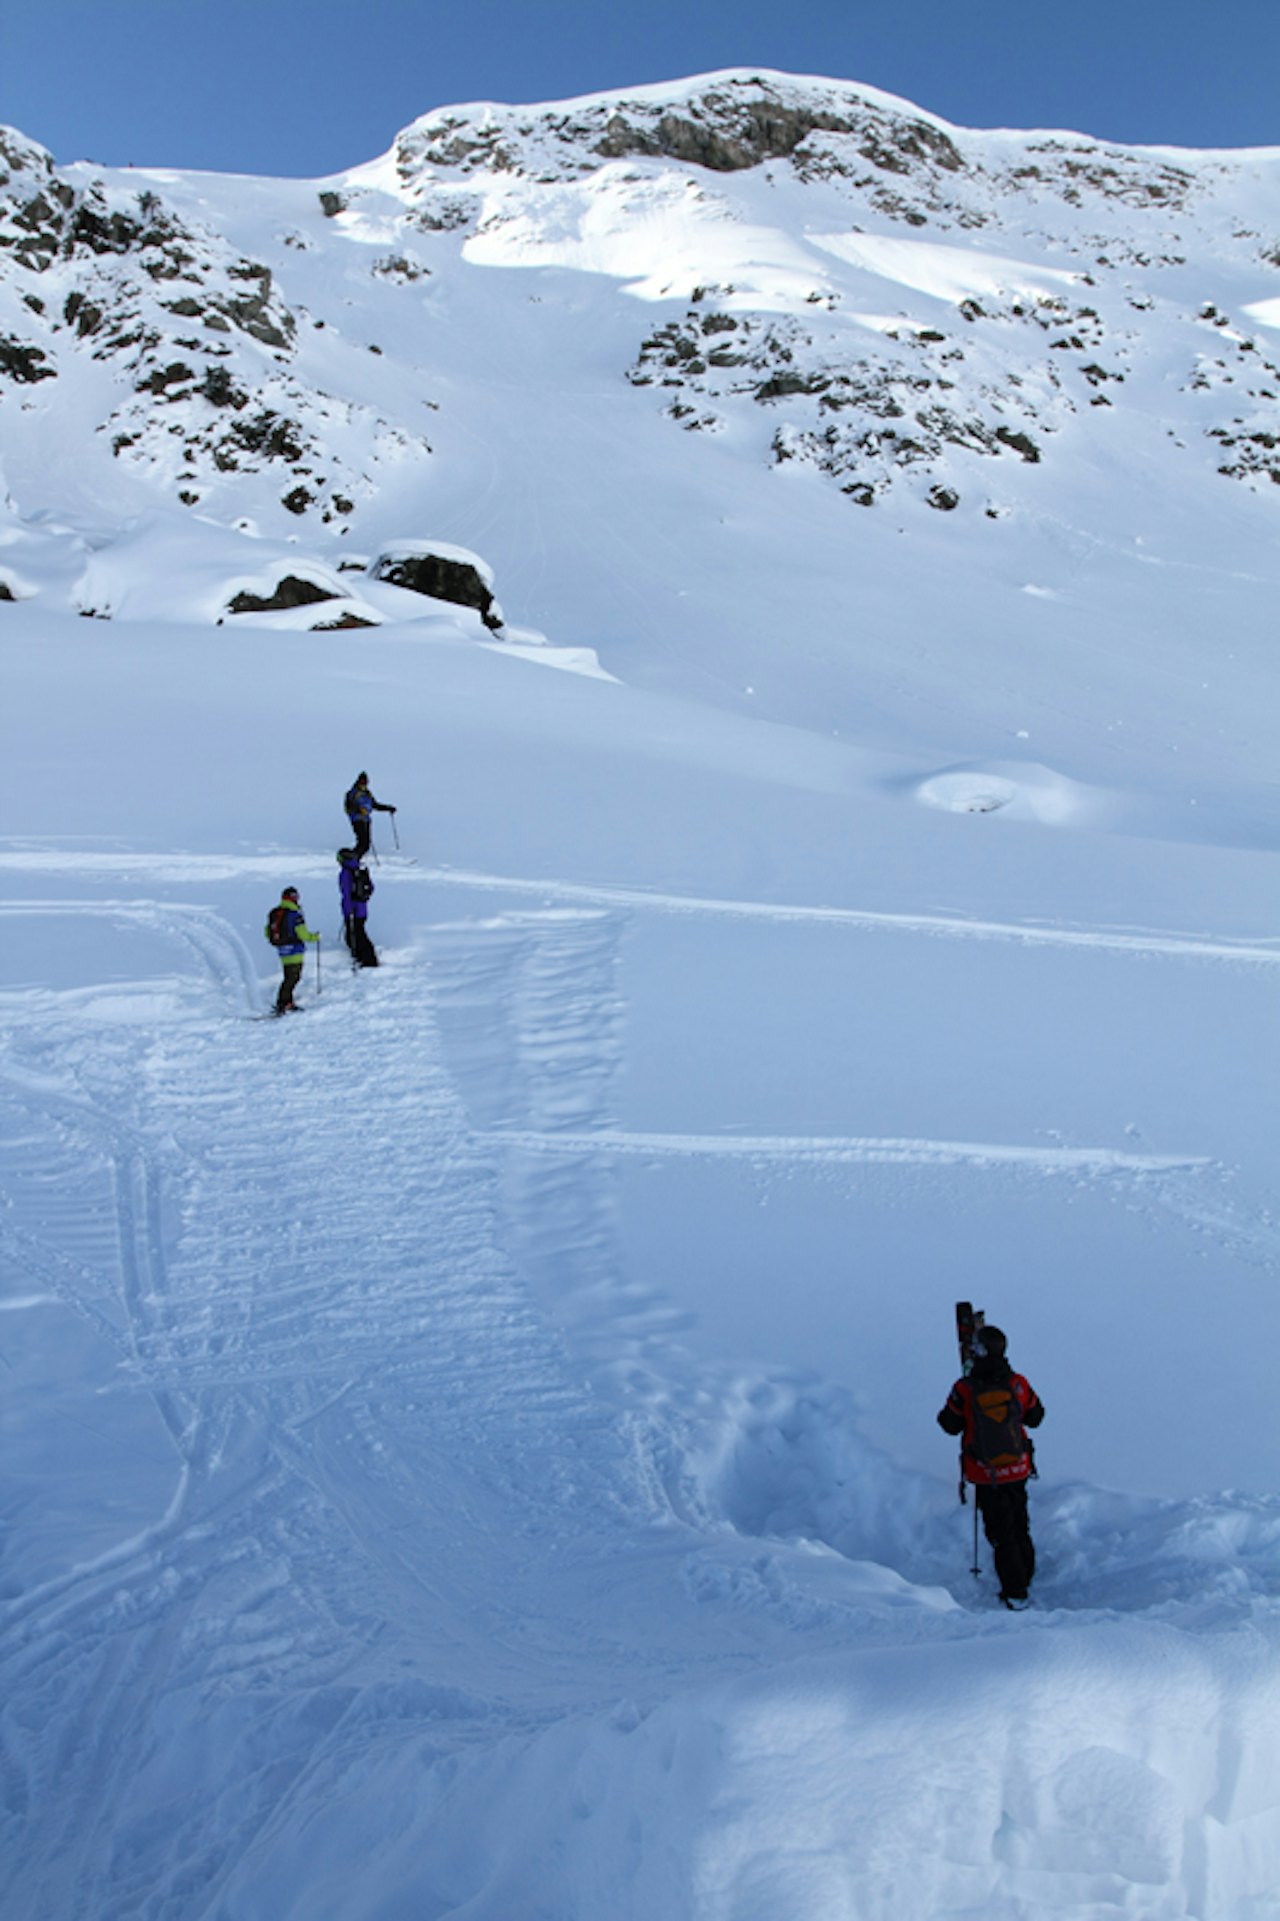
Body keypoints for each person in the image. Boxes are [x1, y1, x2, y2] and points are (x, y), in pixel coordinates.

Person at [937, 1324, 1044, 1609]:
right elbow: (1036, 1417)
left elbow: (948, 1424)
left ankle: (1015, 1590)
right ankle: (1026, 1571)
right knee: (1019, 1520)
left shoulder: (965, 1388)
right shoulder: (1017, 1383)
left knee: (1000, 1531)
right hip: (1018, 1466)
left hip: (985, 1472)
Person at [267, 886, 320, 1015]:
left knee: (288, 977)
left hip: (282, 950)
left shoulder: (276, 913)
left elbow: (266, 931)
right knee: (293, 978)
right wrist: (315, 937)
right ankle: (283, 1003)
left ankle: (287, 1001)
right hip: (295, 951)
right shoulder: (294, 914)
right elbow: (303, 934)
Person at [337, 847, 378, 967]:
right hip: (362, 908)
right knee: (356, 933)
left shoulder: (346, 873)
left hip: (352, 909)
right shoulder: (360, 869)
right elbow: (371, 888)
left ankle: (368, 959)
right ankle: (362, 957)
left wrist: (348, 910)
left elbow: (346, 893)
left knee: (357, 935)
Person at [343, 772, 396, 859]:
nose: (364, 784)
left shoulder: (367, 794)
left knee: (366, 844)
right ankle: (352, 859)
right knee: (363, 842)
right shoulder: (352, 793)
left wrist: (388, 808)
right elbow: (349, 806)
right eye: (363, 782)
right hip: (357, 819)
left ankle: (354, 859)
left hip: (366, 820)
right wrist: (359, 810)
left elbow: (374, 805)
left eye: (366, 782)